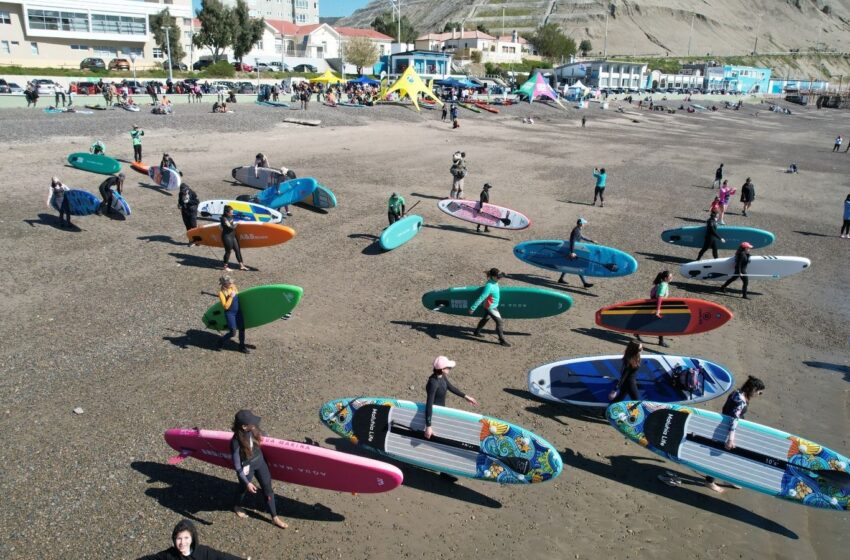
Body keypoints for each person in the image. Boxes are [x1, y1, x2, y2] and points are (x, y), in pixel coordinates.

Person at [662, 376, 765, 492]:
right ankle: (709, 482)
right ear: (753, 389)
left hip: (727, 427)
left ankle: (727, 478)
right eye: (759, 392)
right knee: (718, 457)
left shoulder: (737, 393)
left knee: (730, 457)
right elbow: (734, 419)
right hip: (726, 431)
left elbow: (727, 410)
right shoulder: (740, 401)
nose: (759, 395)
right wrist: (730, 439)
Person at [230, 410, 287, 527]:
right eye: (252, 423)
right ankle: (236, 506)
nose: (255, 424)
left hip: (260, 462)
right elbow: (237, 466)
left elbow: (264, 435)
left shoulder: (253, 429)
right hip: (246, 467)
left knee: (268, 488)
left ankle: (274, 517)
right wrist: (247, 483)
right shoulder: (235, 442)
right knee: (243, 488)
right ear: (244, 426)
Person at [425, 356, 479, 442]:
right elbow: (429, 404)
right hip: (435, 415)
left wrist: (466, 397)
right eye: (449, 367)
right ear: (442, 369)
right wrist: (428, 426)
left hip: (441, 411)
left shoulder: (442, 376)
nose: (450, 369)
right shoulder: (433, 383)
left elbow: (450, 387)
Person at [139, 518, 246, 559]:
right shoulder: (169, 555)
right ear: (174, 539)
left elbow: (222, 557)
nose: (182, 542)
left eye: (186, 538)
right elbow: (150, 559)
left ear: (192, 538)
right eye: (179, 538)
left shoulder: (203, 552)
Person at [469, 268, 511, 347]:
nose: (499, 278)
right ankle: (502, 340)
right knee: (500, 322)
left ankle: (476, 332)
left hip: (491, 305)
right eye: (497, 277)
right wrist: (472, 308)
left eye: (499, 276)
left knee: (485, 319)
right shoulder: (489, 286)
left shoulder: (495, 279)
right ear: (493, 276)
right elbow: (482, 297)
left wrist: (503, 274)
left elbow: (500, 275)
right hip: (490, 307)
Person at [637, 271, 672, 347]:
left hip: (654, 306)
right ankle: (661, 341)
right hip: (656, 307)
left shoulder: (661, 284)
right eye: (670, 277)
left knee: (649, 321)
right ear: (666, 278)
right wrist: (658, 311)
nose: (671, 278)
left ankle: (637, 332)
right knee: (660, 323)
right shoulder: (663, 285)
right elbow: (659, 297)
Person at [558, 217, 595, 288]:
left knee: (568, 265)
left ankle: (561, 279)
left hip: (574, 250)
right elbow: (572, 241)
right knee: (578, 266)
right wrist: (572, 252)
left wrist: (591, 240)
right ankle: (585, 283)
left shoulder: (577, 230)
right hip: (573, 251)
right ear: (581, 224)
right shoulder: (576, 231)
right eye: (583, 223)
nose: (584, 224)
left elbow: (582, 237)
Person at [216, 276, 248, 353]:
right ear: (225, 284)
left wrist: (233, 292)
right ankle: (221, 341)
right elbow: (225, 307)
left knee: (242, 329)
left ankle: (242, 346)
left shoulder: (233, 287)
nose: (231, 283)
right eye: (229, 282)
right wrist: (230, 297)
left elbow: (238, 295)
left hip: (238, 312)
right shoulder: (221, 293)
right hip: (230, 313)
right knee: (232, 332)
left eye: (231, 282)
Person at [221, 206, 248, 272]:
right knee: (228, 251)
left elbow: (238, 215)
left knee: (237, 250)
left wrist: (244, 216)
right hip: (227, 237)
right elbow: (231, 227)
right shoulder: (223, 219)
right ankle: (225, 267)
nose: (232, 213)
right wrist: (237, 224)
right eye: (231, 212)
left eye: (232, 212)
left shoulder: (231, 216)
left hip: (233, 236)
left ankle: (241, 266)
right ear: (227, 212)